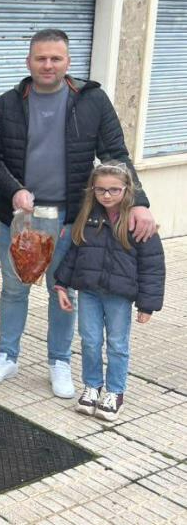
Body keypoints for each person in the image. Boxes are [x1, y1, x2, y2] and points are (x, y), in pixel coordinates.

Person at [0, 28, 157, 398]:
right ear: (28, 62)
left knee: (62, 291)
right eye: (41, 58)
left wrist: (139, 202)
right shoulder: (8, 104)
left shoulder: (92, 102)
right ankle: (7, 355)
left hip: (70, 220)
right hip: (20, 218)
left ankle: (59, 361)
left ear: (68, 62)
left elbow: (116, 156)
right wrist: (14, 190)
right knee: (14, 289)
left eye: (55, 58)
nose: (48, 65)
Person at [54, 163, 164, 421]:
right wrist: (61, 285)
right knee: (90, 341)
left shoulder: (138, 222)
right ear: (93, 190)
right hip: (89, 293)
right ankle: (92, 386)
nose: (107, 195)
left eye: (114, 190)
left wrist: (147, 305)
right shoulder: (88, 218)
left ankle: (115, 392)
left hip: (119, 297)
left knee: (117, 344)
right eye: (100, 189)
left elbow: (153, 266)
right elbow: (74, 253)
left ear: (127, 190)